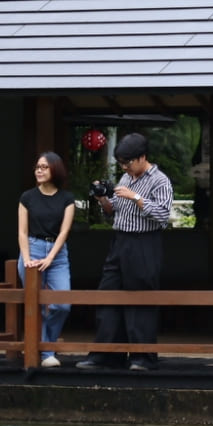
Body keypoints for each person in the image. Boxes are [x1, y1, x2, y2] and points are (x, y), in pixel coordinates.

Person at [78, 132, 172, 371]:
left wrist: (136, 197)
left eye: (127, 163)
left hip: (144, 242)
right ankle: (106, 354)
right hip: (120, 241)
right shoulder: (125, 178)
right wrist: (102, 199)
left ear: (142, 157)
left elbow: (163, 215)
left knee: (140, 298)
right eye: (121, 163)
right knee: (108, 294)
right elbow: (114, 211)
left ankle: (142, 357)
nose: (124, 167)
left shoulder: (160, 180)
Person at [18, 151, 77, 367]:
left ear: (55, 169)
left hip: (57, 253)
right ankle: (46, 354)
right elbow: (22, 232)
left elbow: (64, 232)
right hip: (32, 249)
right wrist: (27, 259)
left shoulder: (67, 199)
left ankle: (45, 346)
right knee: (35, 303)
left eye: (44, 167)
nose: (39, 171)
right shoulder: (27, 197)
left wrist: (50, 257)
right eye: (37, 167)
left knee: (62, 304)